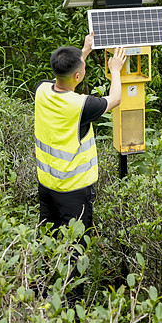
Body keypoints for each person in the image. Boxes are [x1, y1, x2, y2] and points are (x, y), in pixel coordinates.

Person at [33, 31, 126, 302]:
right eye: (82, 68)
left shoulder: (41, 90)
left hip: (47, 186)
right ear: (78, 76)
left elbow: (63, 78)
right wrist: (115, 70)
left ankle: (41, 294)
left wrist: (83, 52)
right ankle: (73, 308)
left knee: (47, 242)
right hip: (74, 193)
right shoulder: (81, 105)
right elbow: (116, 99)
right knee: (76, 251)